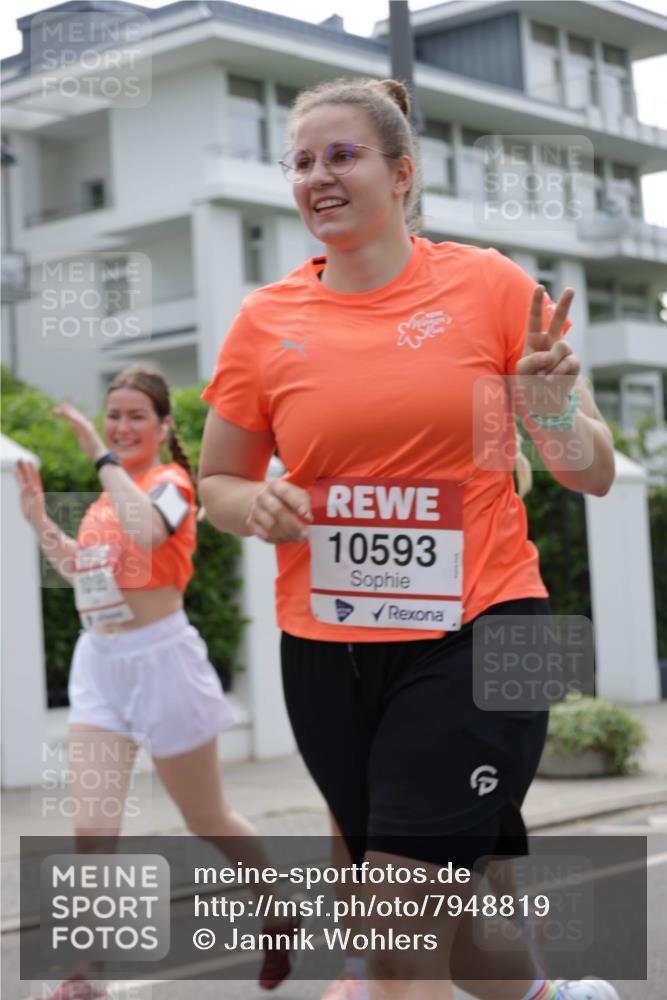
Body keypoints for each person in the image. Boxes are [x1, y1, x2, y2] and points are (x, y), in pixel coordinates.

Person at [197, 77, 618, 1000]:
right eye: (301, 161)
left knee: (392, 946)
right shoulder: (264, 322)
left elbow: (587, 471)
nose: (318, 177)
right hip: (330, 653)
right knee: (451, 934)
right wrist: (250, 505)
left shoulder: (490, 286)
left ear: (402, 173)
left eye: (341, 155)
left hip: (484, 631)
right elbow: (216, 480)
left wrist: (548, 412)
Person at [16, 365, 300, 1000]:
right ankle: (84, 976)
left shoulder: (172, 483)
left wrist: (94, 453)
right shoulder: (101, 502)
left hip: (163, 660)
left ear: (163, 424)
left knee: (206, 816)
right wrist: (40, 522)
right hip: (100, 665)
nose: (120, 426)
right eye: (113, 415)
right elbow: (84, 571)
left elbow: (147, 530)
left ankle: (278, 908)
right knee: (91, 830)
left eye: (134, 415)